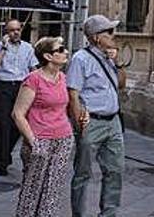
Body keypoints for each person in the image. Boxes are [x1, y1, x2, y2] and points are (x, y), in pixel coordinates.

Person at [12, 36, 83, 217]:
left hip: (63, 139)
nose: (65, 52)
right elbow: (18, 114)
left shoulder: (64, 78)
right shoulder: (33, 79)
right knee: (32, 190)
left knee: (53, 190)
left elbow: (67, 105)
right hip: (39, 139)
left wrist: (84, 113)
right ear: (48, 56)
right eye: (60, 49)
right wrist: (34, 143)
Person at [69, 14, 124, 217]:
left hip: (113, 122)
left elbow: (121, 84)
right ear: (96, 37)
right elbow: (73, 95)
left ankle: (109, 213)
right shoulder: (80, 59)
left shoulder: (109, 58)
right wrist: (80, 125)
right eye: (109, 32)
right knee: (83, 173)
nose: (113, 35)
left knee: (115, 171)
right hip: (91, 121)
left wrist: (117, 62)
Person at [0, 19, 37, 176]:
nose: (15, 32)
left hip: (21, 87)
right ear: (6, 32)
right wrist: (4, 47)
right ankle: (2, 163)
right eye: (11, 30)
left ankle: (5, 152)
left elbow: (33, 69)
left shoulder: (28, 48)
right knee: (3, 124)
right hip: (3, 87)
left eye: (17, 29)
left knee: (19, 124)